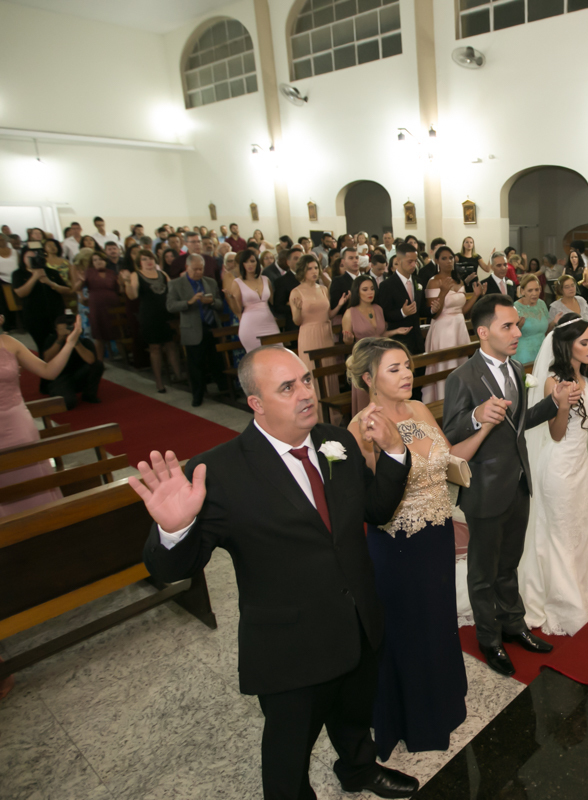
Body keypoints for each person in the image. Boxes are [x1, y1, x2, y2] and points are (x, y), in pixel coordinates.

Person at [136, 346, 418, 800]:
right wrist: (175, 529)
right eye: (287, 387)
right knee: (289, 752)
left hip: (356, 620)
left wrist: (394, 455)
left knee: (354, 715)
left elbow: (376, 511)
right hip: (292, 645)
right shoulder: (220, 471)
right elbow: (174, 570)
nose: (306, 393)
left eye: (306, 379)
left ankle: (359, 770)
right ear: (256, 403)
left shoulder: (337, 442)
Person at [346, 338, 490, 755]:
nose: (408, 374)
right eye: (395, 369)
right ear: (369, 378)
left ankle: (442, 703)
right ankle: (409, 718)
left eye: (408, 366)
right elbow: (369, 502)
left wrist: (485, 427)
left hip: (438, 534)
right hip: (399, 544)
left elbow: (448, 460)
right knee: (405, 630)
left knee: (437, 621)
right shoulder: (362, 428)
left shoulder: (420, 410)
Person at [442, 295, 579, 676]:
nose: (518, 332)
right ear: (483, 332)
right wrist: (474, 415)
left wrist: (552, 402)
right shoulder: (462, 378)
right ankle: (489, 638)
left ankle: (513, 623)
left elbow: (517, 425)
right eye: (508, 326)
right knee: (483, 573)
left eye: (517, 325)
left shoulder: (516, 368)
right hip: (485, 489)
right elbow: (449, 438)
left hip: (518, 481)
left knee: (509, 563)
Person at [520, 315, 588, 635]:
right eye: (584, 342)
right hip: (557, 466)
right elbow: (554, 434)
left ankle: (580, 580)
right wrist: (562, 405)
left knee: (577, 523)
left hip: (580, 463)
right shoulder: (555, 381)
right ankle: (559, 595)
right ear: (566, 345)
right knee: (559, 528)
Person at [0, 313, 83, 516]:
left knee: (34, 481)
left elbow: (48, 371)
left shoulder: (9, 343)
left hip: (17, 425)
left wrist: (70, 343)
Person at [169, 255, 227, 407]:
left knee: (218, 362)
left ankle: (224, 390)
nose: (198, 272)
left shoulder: (210, 282)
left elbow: (220, 304)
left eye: (201, 269)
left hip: (212, 327)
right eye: (195, 269)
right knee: (196, 365)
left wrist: (213, 301)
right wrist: (189, 302)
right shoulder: (176, 284)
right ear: (187, 268)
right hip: (193, 329)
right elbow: (170, 306)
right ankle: (198, 395)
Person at [291, 254, 348, 411]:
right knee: (313, 374)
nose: (314, 271)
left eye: (316, 267)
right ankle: (316, 412)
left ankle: (332, 413)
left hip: (325, 332)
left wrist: (339, 305)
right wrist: (296, 309)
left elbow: (328, 315)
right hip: (309, 334)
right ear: (302, 271)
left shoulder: (323, 289)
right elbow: (297, 321)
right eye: (309, 268)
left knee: (329, 372)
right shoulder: (296, 292)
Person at [423, 245, 479, 403]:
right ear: (437, 261)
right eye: (444, 258)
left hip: (459, 327)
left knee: (461, 364)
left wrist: (475, 296)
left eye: (450, 258)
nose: (449, 261)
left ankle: (461, 399)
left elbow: (462, 311)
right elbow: (434, 312)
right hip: (443, 329)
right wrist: (443, 292)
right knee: (446, 366)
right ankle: (443, 400)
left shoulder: (458, 280)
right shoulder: (433, 282)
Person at [126, 250, 182, 393]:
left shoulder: (162, 274)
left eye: (150, 258)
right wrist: (127, 282)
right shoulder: (136, 275)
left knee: (171, 345)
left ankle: (179, 376)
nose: (148, 261)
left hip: (166, 314)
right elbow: (133, 296)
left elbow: (173, 291)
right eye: (144, 259)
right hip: (149, 316)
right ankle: (159, 381)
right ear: (139, 262)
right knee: (155, 348)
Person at [341, 276, 388, 415]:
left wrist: (396, 331)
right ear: (357, 291)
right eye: (365, 289)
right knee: (366, 399)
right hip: (364, 359)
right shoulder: (350, 313)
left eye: (372, 289)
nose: (370, 292)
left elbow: (381, 333)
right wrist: (348, 339)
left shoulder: (378, 308)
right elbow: (348, 342)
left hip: (381, 356)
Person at [13, 247, 72, 353]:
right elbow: (21, 293)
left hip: (56, 314)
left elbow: (67, 290)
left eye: (35, 257)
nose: (33, 259)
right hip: (34, 316)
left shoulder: (51, 272)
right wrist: (35, 277)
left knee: (63, 344)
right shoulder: (18, 274)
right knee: (43, 346)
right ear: (23, 258)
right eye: (29, 257)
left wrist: (50, 283)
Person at [376, 243, 424, 366]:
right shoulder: (387, 285)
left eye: (415, 261)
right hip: (399, 340)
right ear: (398, 260)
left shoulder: (418, 281)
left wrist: (432, 309)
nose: (414, 265)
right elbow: (384, 314)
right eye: (410, 261)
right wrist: (402, 313)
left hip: (417, 338)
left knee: (419, 374)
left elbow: (421, 309)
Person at [41, 313, 104, 408]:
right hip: (59, 377)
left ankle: (89, 395)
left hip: (77, 375)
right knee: (68, 403)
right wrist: (60, 339)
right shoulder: (51, 340)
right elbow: (46, 359)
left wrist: (74, 341)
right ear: (56, 330)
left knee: (98, 364)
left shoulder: (84, 342)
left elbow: (91, 361)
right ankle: (60, 392)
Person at [230, 249, 280, 353]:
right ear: (242, 264)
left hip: (269, 322)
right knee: (257, 358)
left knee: (278, 353)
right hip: (250, 324)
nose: (249, 264)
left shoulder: (266, 279)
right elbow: (238, 310)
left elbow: (273, 302)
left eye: (252, 261)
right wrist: (231, 298)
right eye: (246, 261)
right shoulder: (237, 282)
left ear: (257, 262)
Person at [514, 274, 550, 365]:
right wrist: (518, 327)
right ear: (522, 291)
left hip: (543, 351)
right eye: (530, 290)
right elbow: (508, 336)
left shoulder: (542, 304)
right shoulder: (515, 307)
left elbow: (545, 329)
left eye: (537, 289)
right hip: (524, 354)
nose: (534, 293)